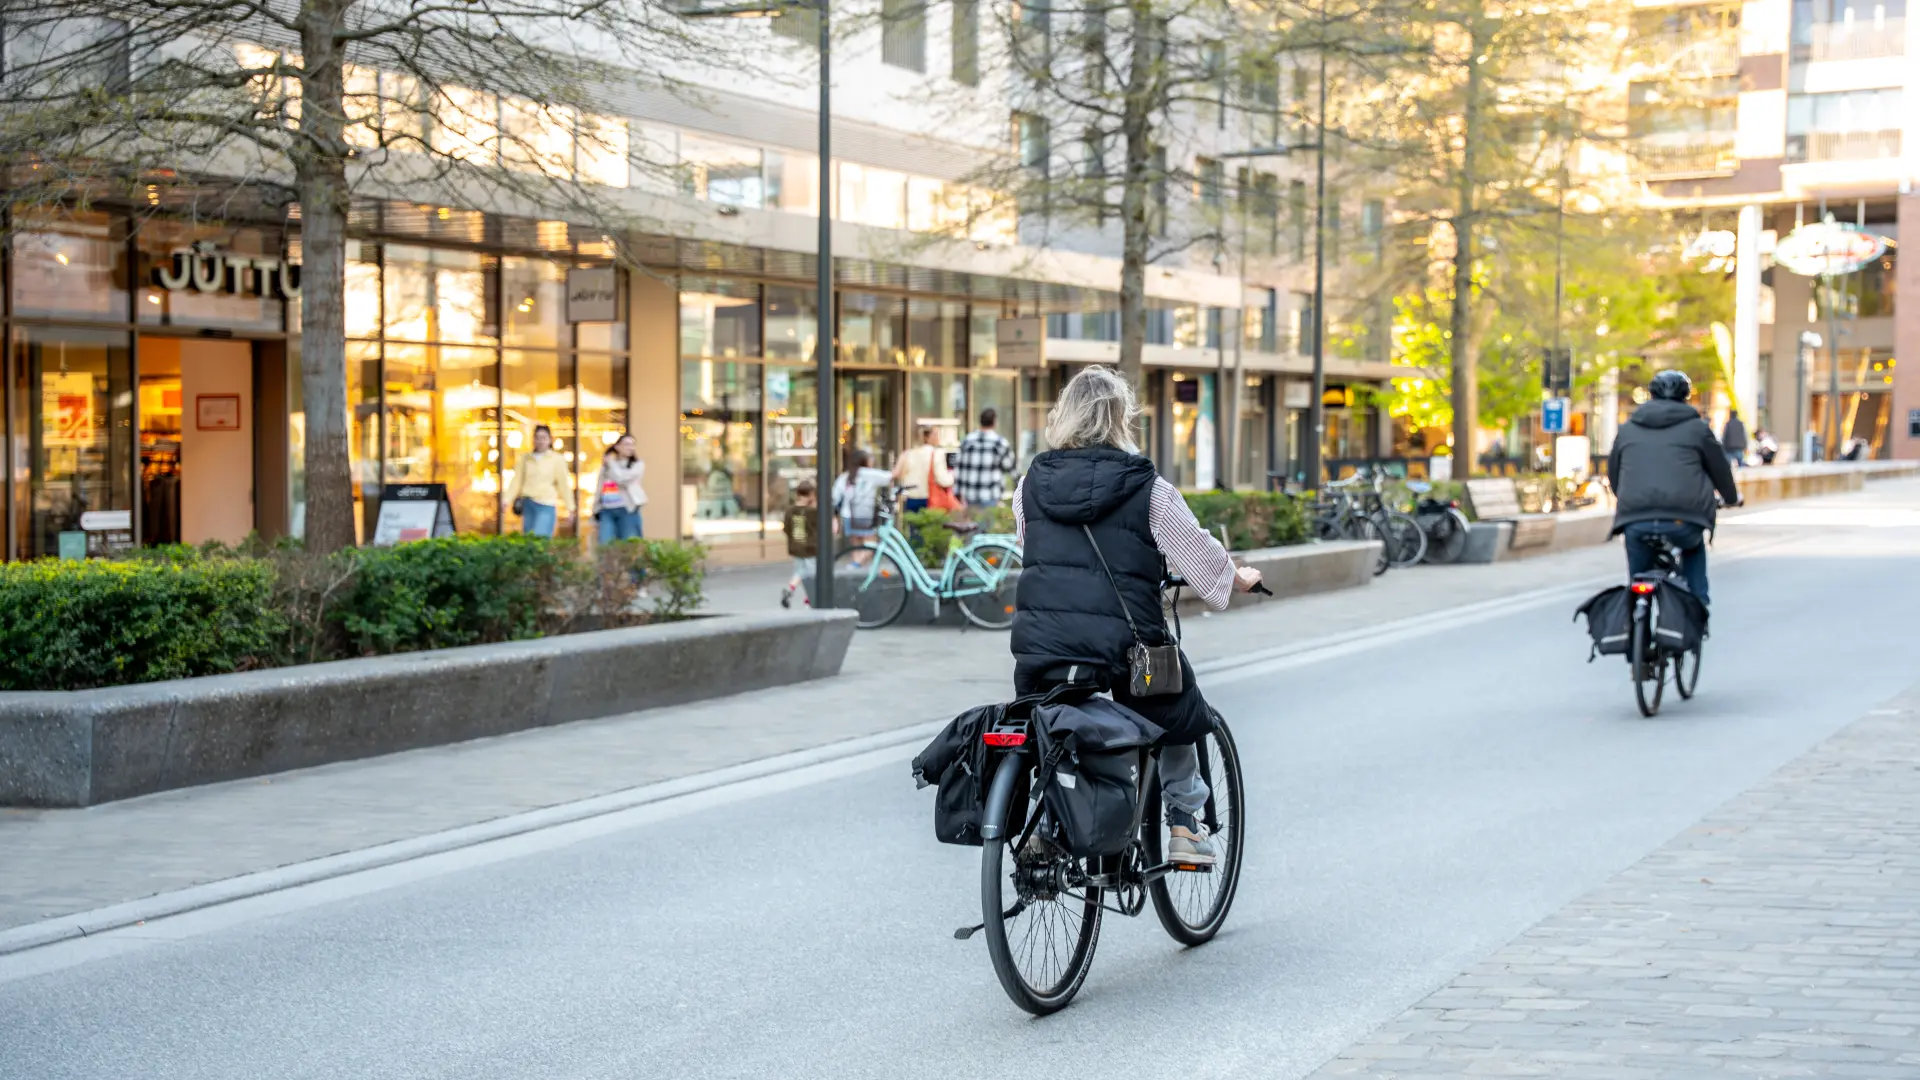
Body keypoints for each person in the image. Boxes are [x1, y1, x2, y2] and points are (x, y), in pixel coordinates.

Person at [1011, 366, 1264, 866]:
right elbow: (1196, 554)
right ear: (1121, 417)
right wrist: (1235, 577)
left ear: (1064, 416)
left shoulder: (1030, 484)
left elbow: (1032, 550)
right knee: (1175, 702)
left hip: (1042, 642)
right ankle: (1184, 824)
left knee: (1048, 717)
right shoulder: (1147, 486)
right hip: (1124, 644)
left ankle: (1046, 821)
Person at [1606, 370, 1741, 606]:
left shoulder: (1627, 429)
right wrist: (1730, 497)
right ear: (1686, 397)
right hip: (1684, 518)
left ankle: (1634, 618)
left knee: (1637, 579)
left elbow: (1614, 475)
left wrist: (1629, 500)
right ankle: (1698, 605)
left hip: (1635, 518)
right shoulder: (1699, 430)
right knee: (1693, 549)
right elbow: (1721, 470)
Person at [505, 424, 571, 538]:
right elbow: (517, 481)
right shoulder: (525, 458)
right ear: (533, 440)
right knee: (529, 540)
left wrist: (571, 507)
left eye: (544, 438)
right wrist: (506, 500)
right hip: (528, 503)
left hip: (546, 503)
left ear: (550, 440)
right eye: (538, 438)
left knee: (541, 538)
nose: (540, 441)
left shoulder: (556, 459)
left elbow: (563, 484)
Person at [954, 407, 1018, 510]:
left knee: (972, 525)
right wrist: (1021, 487)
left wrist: (957, 493)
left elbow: (958, 469)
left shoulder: (966, 441)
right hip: (990, 495)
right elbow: (1012, 469)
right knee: (987, 525)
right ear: (994, 422)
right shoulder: (1000, 443)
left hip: (969, 496)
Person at [832, 448, 892, 551]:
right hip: (866, 515)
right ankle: (858, 564)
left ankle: (856, 564)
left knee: (856, 545)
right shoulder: (869, 474)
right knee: (871, 544)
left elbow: (834, 496)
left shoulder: (845, 476)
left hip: (848, 515)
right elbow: (891, 476)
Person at [592, 434, 646, 544]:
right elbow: (600, 486)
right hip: (606, 510)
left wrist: (611, 463)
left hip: (627, 510)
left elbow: (621, 478)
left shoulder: (637, 465)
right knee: (604, 545)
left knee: (627, 546)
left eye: (632, 444)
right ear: (617, 447)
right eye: (626, 444)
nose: (630, 447)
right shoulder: (607, 465)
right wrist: (595, 508)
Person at [892, 424, 955, 513]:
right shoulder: (937, 454)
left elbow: (897, 474)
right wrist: (952, 476)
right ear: (930, 437)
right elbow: (943, 480)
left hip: (911, 498)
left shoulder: (908, 454)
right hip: (930, 499)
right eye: (937, 434)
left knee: (912, 525)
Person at [780, 480, 819, 609]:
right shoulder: (812, 511)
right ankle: (809, 601)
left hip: (795, 546)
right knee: (812, 576)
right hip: (811, 548)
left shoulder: (790, 510)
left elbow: (786, 528)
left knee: (800, 571)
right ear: (811, 494)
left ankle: (789, 589)